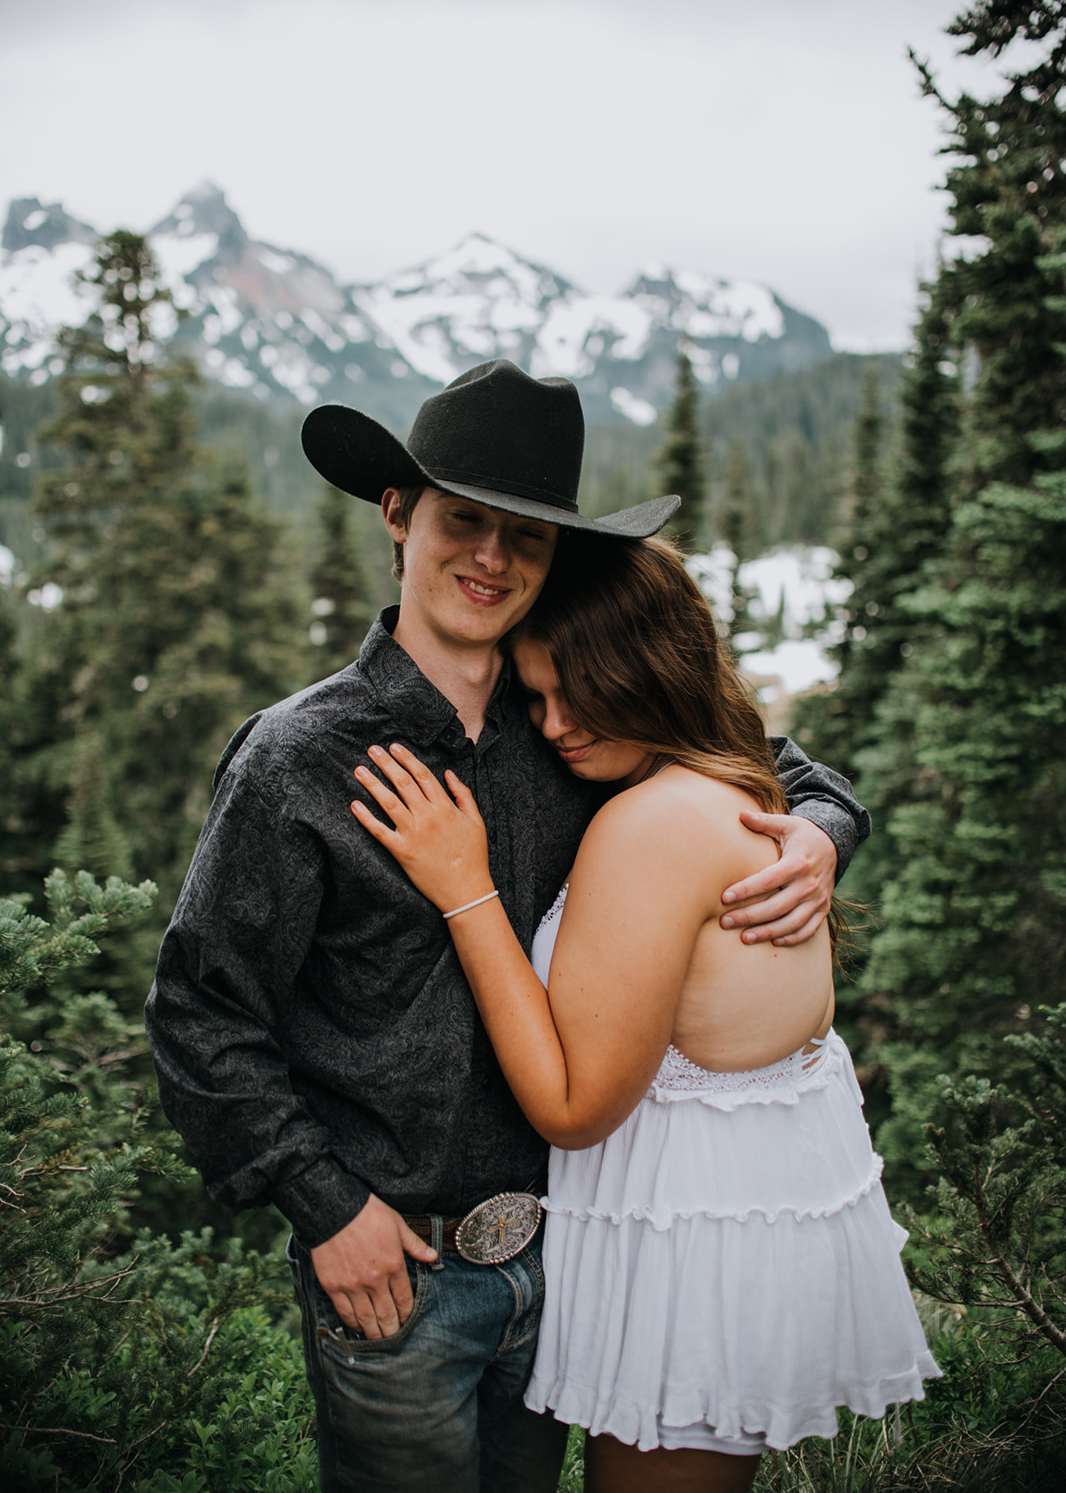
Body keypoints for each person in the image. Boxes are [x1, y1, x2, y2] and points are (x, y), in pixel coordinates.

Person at [145, 359, 871, 1493]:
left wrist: (822, 831)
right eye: (463, 521)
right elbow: (199, 1012)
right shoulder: (300, 759)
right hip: (401, 1268)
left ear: (551, 557)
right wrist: (325, 1206)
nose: (490, 558)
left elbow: (772, 766)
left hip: (571, 1254)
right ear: (398, 513)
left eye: (523, 538)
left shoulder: (576, 719)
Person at [350, 532, 938, 1493]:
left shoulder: (652, 826)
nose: (552, 725)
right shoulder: (733, 779)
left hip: (689, 1264)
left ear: (648, 669)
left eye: (575, 690)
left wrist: (466, 890)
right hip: (726, 1230)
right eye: (534, 696)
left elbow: (576, 1109)